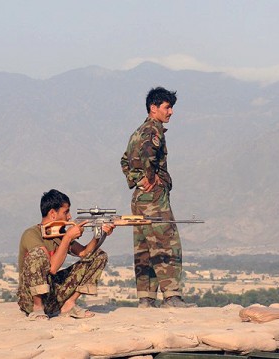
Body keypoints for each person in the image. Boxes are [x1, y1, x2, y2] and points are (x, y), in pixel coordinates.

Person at [120, 87, 195, 308]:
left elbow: (124, 161)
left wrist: (136, 179)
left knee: (144, 247)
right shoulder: (153, 130)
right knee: (166, 244)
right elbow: (148, 156)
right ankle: (171, 297)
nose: (171, 112)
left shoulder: (138, 131)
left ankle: (146, 298)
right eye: (167, 107)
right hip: (153, 199)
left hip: (140, 199)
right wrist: (149, 179)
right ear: (154, 108)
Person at [17, 189, 114, 320]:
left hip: (53, 296)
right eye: (66, 212)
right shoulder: (31, 234)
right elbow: (52, 268)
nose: (69, 216)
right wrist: (67, 237)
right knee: (38, 254)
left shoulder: (60, 234)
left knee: (98, 255)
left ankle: (69, 305)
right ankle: (38, 308)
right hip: (29, 298)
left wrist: (101, 234)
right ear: (52, 213)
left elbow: (85, 253)